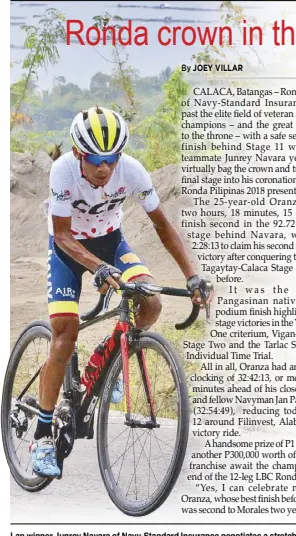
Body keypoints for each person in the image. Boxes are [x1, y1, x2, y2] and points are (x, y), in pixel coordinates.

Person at [31, 106, 214, 478]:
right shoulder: (62, 170)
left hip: (111, 242)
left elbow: (162, 226)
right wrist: (97, 268)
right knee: (64, 333)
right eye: (97, 159)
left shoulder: (131, 171)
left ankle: (105, 362)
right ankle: (42, 433)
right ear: (80, 154)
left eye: (112, 158)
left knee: (150, 303)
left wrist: (193, 275)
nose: (105, 168)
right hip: (67, 249)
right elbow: (63, 234)